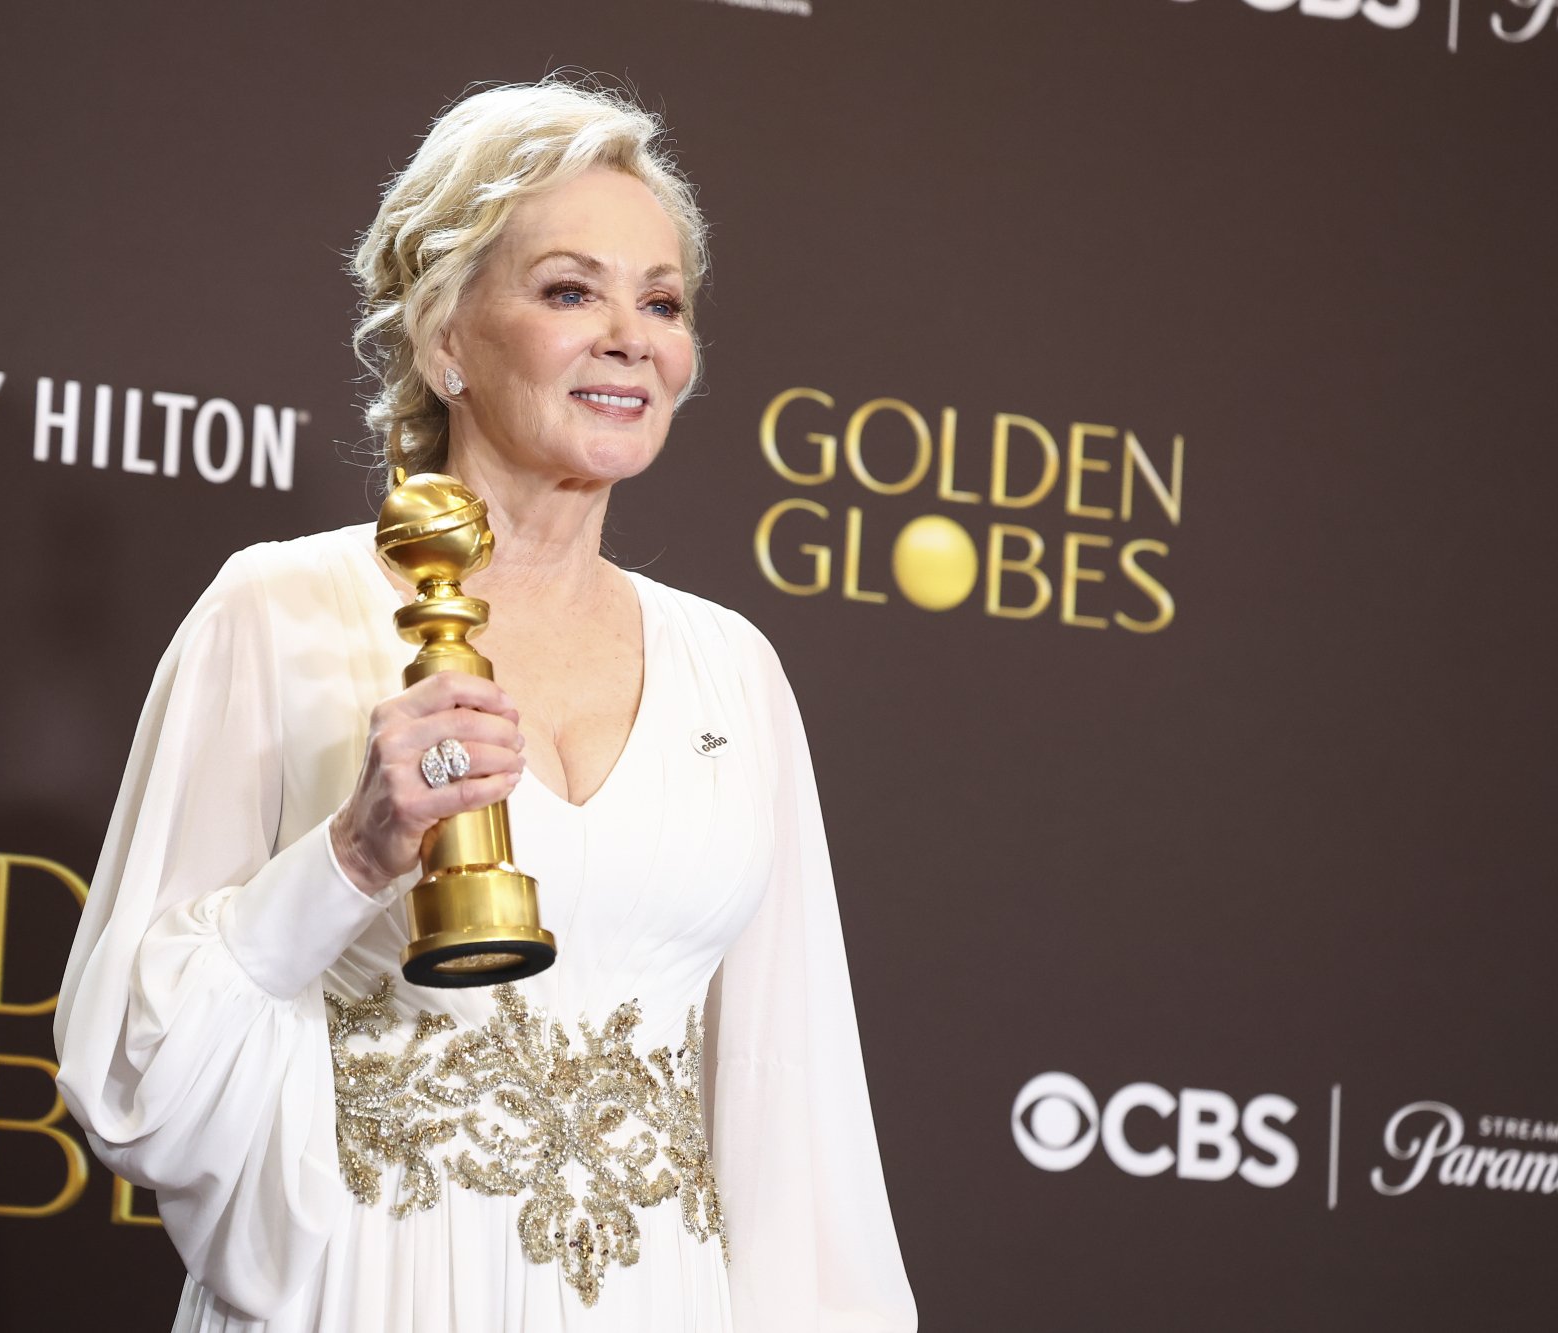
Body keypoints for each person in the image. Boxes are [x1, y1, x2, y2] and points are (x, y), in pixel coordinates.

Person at [53, 77, 919, 1333]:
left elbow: (792, 1102)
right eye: (571, 290)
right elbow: (135, 1064)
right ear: (442, 337)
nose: (631, 336)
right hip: (368, 1290)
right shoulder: (278, 610)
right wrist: (349, 857)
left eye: (661, 301)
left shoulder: (733, 668)